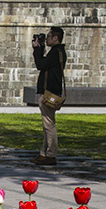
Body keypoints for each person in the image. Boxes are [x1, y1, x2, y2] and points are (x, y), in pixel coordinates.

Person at [32, 27, 67, 165]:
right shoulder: (58, 52)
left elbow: (41, 64)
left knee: (49, 125)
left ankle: (50, 154)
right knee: (48, 123)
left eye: (48, 37)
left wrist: (37, 49)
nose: (46, 39)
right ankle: (44, 153)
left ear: (55, 38)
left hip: (49, 92)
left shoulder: (56, 52)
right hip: (51, 91)